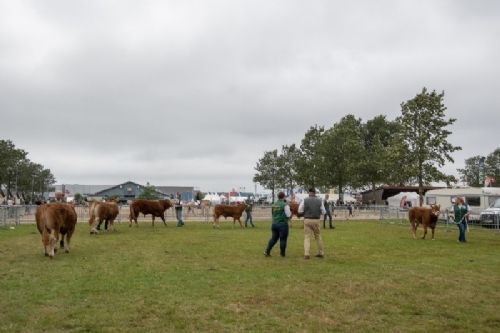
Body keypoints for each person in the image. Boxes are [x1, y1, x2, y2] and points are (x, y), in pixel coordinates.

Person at [298, 188, 326, 259]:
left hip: (307, 220)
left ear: (309, 192)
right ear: (315, 193)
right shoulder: (320, 200)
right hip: (316, 220)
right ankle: (321, 253)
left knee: (307, 237)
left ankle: (306, 254)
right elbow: (324, 212)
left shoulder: (305, 200)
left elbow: (299, 210)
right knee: (318, 236)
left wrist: (305, 211)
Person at [264, 192, 291, 257]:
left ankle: (267, 251)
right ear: (284, 197)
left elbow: (272, 213)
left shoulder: (274, 204)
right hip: (282, 224)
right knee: (283, 239)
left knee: (273, 239)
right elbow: (288, 215)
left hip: (274, 224)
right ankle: (282, 254)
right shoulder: (285, 205)